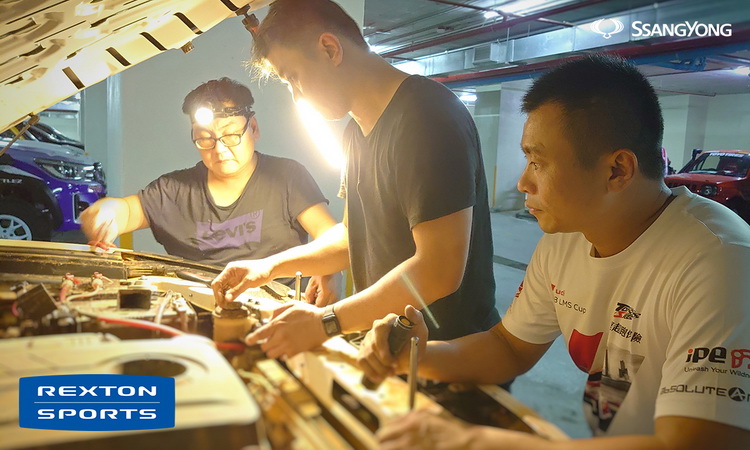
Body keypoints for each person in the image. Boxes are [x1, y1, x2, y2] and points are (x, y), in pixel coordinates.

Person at [357, 55, 750, 449]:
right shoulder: (567, 239)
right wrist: (414, 356)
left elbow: (696, 442)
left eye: (538, 162)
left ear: (617, 170)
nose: (523, 182)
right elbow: (509, 347)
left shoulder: (720, 262)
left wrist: (475, 442)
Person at [211, 0, 499, 358]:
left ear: (329, 49)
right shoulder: (355, 132)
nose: (297, 97)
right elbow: (352, 237)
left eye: (293, 77)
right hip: (388, 350)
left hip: (449, 359)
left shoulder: (426, 117)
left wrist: (325, 322)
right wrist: (267, 267)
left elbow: (438, 269)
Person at [80, 77, 338, 304]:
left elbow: (330, 235)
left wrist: (326, 270)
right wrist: (105, 214)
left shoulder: (287, 177)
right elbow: (125, 211)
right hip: (196, 312)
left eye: (231, 135)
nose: (220, 149)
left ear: (253, 128)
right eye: (205, 138)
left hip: (277, 312)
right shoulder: (173, 190)